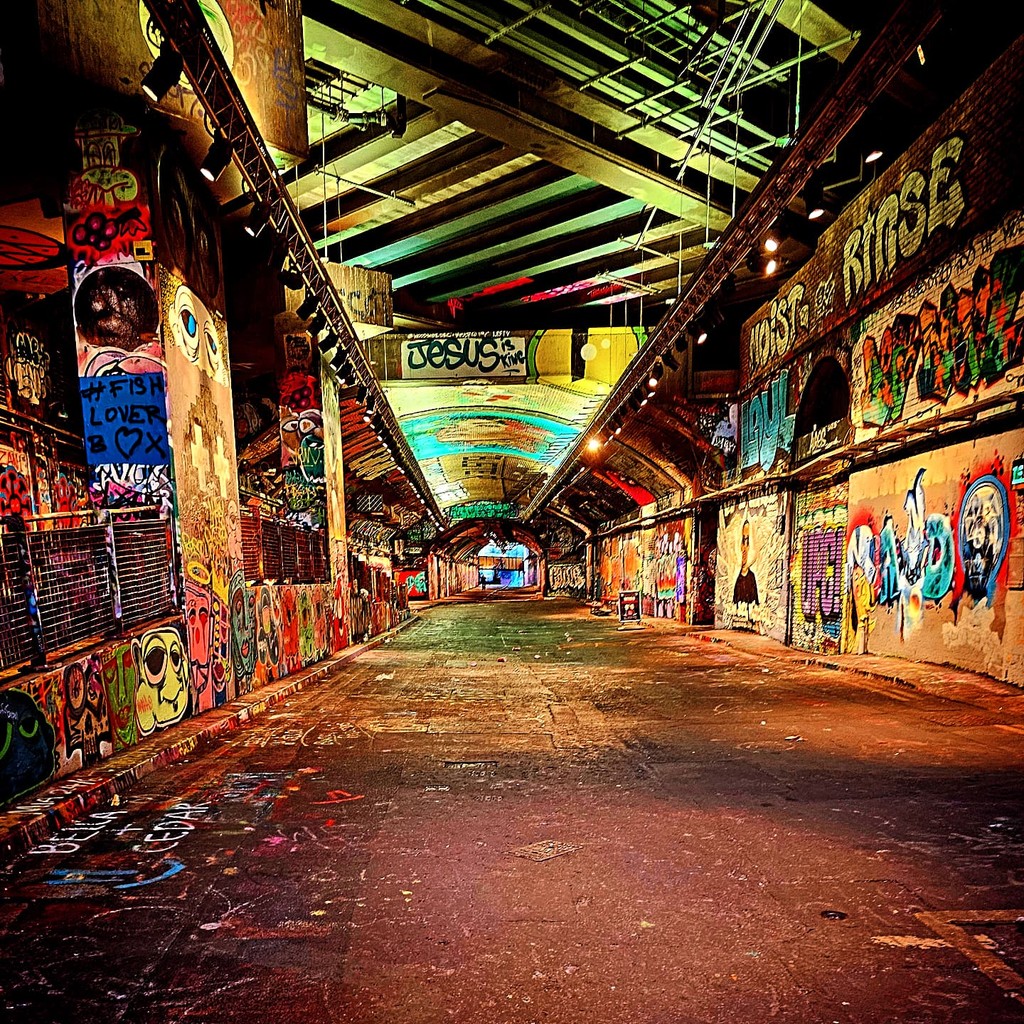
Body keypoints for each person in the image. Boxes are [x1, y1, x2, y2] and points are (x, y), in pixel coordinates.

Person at [732, 519, 759, 606]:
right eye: (743, 540)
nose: (744, 549)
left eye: (748, 541)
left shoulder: (751, 578)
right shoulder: (737, 579)